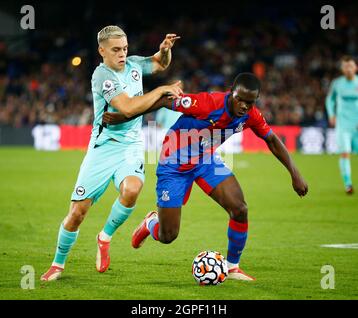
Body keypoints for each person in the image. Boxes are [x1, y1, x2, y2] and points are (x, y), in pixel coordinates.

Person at [103, 72, 308, 281]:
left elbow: (272, 140)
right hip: (174, 164)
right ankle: (150, 224)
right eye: (240, 100)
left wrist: (295, 174)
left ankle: (232, 267)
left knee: (239, 208)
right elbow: (165, 100)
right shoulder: (207, 103)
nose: (245, 106)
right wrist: (125, 116)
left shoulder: (251, 115)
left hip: (205, 160)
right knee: (168, 236)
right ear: (232, 94)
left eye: (250, 102)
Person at [40, 25, 182, 281]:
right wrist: (161, 91)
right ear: (102, 50)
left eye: (125, 48)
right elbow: (127, 108)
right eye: (116, 50)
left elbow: (160, 65)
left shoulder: (134, 65)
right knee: (77, 213)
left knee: (132, 189)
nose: (122, 54)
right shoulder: (101, 76)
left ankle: (104, 237)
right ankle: (58, 264)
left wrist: (164, 50)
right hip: (102, 149)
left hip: (130, 146)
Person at [326, 55, 358, 195]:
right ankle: (348, 184)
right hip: (343, 125)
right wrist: (331, 114)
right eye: (345, 66)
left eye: (350, 66)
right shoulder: (337, 83)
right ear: (342, 69)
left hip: (356, 124)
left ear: (355, 67)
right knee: (345, 154)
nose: (348, 69)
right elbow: (329, 100)